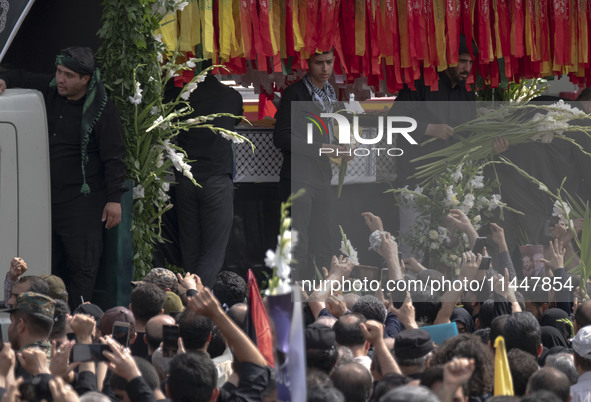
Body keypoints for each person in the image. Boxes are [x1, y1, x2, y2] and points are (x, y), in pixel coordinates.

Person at [0, 47, 126, 310]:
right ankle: (47, 320)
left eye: (68, 75)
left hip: (83, 204)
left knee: (82, 267)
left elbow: (114, 157)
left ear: (86, 79)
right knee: (49, 265)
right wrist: (6, 80)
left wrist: (115, 199)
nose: (60, 79)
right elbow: (21, 76)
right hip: (49, 200)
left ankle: (78, 323)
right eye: (59, 72)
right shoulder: (50, 90)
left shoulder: (102, 109)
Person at [388, 35, 480, 259]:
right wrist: (428, 129)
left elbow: (470, 133)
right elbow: (393, 121)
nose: (466, 68)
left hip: (449, 188)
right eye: (461, 61)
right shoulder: (421, 83)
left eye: (469, 62)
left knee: (449, 253)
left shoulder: (466, 93)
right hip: (415, 182)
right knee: (413, 251)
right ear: (447, 59)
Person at [273, 48, 352, 281]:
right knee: (298, 244)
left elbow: (323, 135)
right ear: (307, 63)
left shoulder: (330, 93)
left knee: (325, 240)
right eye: (319, 63)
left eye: (329, 62)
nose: (325, 68)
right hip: (298, 178)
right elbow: (282, 137)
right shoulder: (294, 93)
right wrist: (326, 148)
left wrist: (341, 147)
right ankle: (297, 298)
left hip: (322, 177)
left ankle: (321, 294)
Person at [171, 72, 243, 288]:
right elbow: (236, 120)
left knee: (190, 248)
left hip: (185, 180)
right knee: (213, 251)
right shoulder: (230, 96)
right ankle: (200, 303)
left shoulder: (177, 94)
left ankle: (188, 301)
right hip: (217, 180)